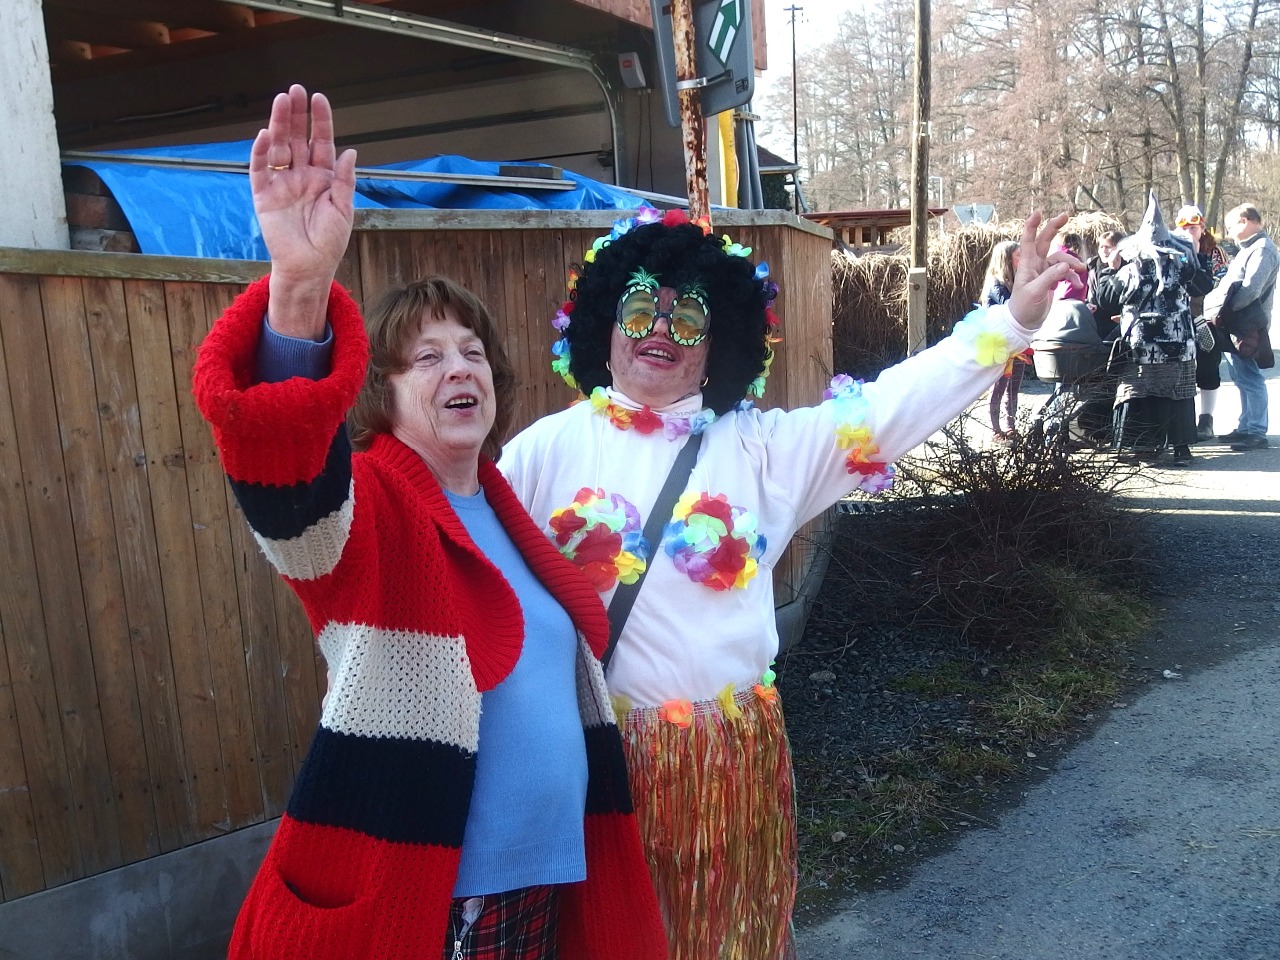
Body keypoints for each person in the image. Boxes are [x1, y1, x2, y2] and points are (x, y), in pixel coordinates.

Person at [499, 209, 1082, 959]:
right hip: (591, 767)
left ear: (717, 346)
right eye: (641, 308)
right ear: (605, 327)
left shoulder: (764, 452)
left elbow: (891, 407)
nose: (661, 330)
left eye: (689, 318)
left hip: (724, 768)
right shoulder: (540, 453)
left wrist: (1011, 321)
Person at [191, 85, 667, 960]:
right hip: (440, 897)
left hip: (544, 883)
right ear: (384, 391)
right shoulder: (370, 505)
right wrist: (299, 289)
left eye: (474, 353)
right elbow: (287, 483)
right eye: (428, 357)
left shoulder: (505, 510)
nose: (460, 369)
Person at [1107, 193, 1215, 465]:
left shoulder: (1131, 270)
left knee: (1141, 392)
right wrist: (1191, 261)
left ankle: (1142, 446)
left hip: (1140, 343)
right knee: (1178, 393)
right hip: (1178, 342)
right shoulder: (1181, 267)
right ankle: (1180, 449)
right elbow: (1203, 287)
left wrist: (1110, 269)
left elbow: (1107, 297)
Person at [1205, 203, 1278, 451]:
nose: (1228, 233)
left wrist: (1224, 310)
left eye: (1230, 226)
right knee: (1241, 376)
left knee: (1250, 377)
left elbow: (1251, 289)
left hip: (1247, 323)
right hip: (1237, 322)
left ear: (1245, 221)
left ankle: (1256, 431)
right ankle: (1246, 426)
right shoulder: (1250, 248)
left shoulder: (1262, 249)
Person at [1172, 204, 1226, 441]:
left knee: (1208, 367)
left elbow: (1223, 283)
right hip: (1175, 320)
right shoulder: (1170, 249)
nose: (1189, 232)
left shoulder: (1214, 252)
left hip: (1204, 319)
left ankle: (1206, 420)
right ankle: (1177, 422)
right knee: (1176, 370)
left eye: (1193, 228)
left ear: (1202, 228)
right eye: (1184, 228)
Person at [980, 240, 1032, 440]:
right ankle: (995, 429)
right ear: (1007, 259)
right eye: (1019, 255)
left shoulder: (1016, 282)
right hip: (999, 345)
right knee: (999, 387)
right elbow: (1012, 308)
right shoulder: (996, 284)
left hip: (1016, 344)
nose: (1022, 258)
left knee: (1013, 388)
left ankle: (1010, 426)